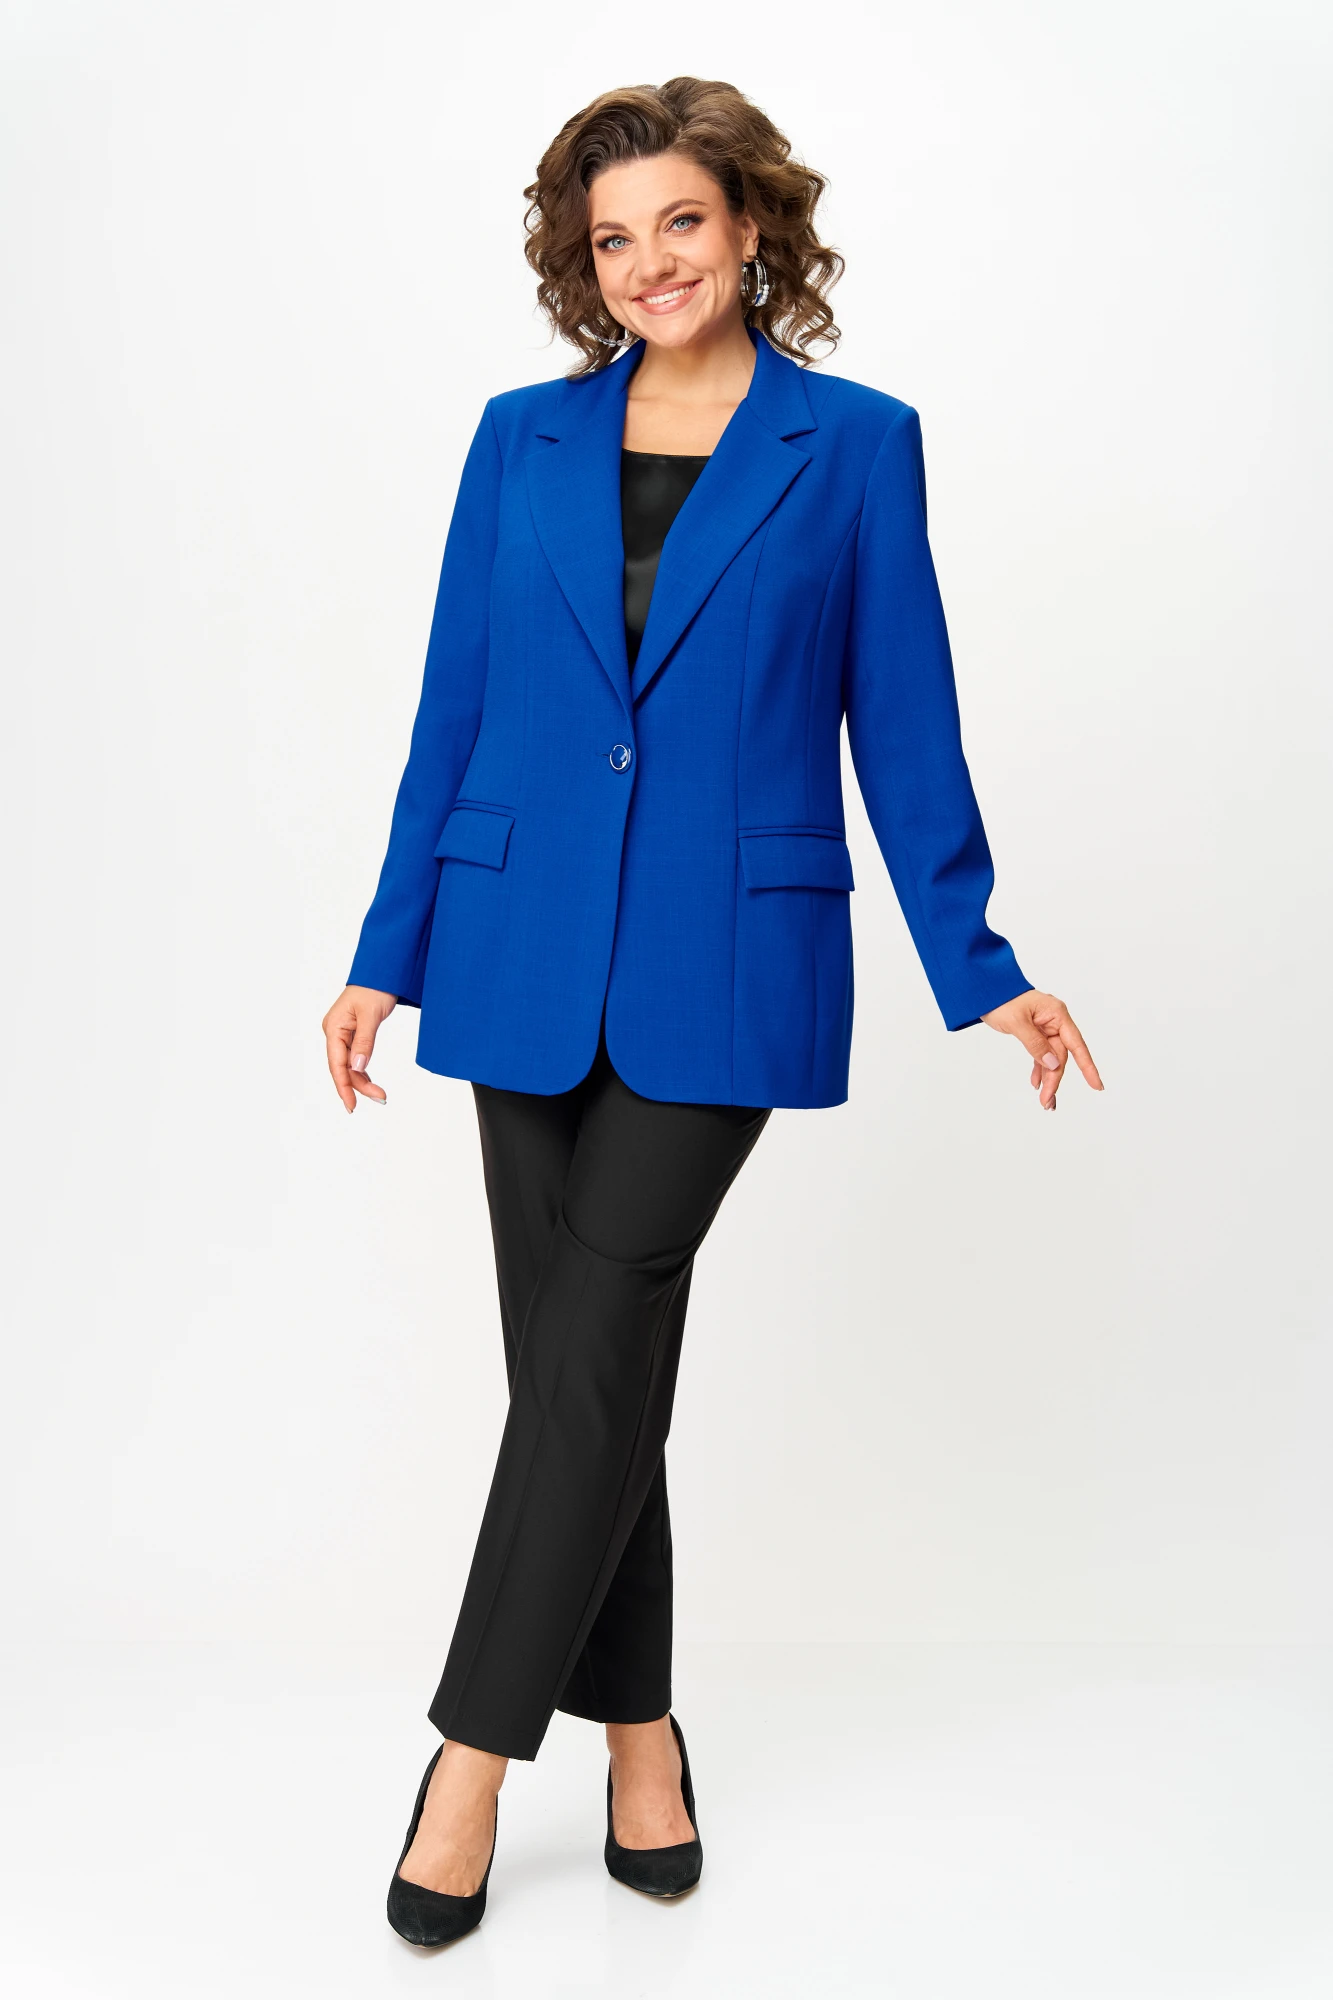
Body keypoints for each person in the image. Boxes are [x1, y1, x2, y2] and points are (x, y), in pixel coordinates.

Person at [321, 75, 1104, 1947]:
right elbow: (456, 709)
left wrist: (980, 961)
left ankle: (467, 1765)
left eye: (681, 220)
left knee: (589, 1360)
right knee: (585, 1387)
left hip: (726, 963)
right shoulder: (517, 441)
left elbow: (902, 716)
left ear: (751, 226)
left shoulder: (855, 446)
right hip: (514, 949)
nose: (649, 262)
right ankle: (644, 1735)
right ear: (581, 266)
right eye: (613, 238)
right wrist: (384, 947)